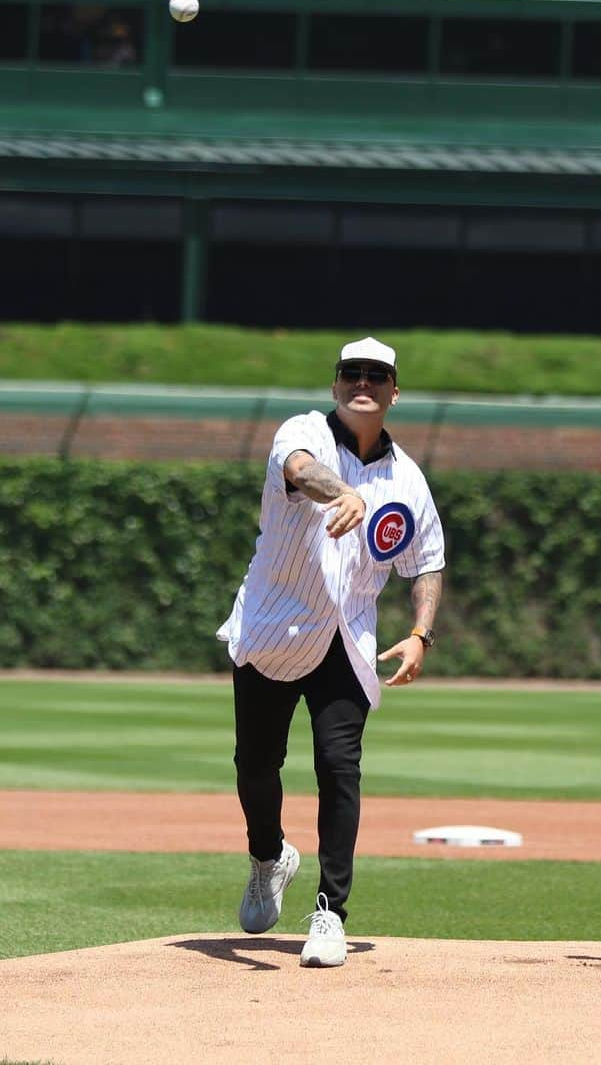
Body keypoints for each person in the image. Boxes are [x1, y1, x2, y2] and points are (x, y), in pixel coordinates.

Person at [217, 337, 445, 968]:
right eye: (352, 373)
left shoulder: (408, 479)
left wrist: (421, 633)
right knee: (255, 766)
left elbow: (428, 560)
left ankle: (330, 912)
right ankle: (269, 856)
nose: (363, 382)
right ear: (336, 383)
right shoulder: (305, 432)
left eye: (377, 375)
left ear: (395, 391)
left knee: (339, 766)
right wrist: (340, 492)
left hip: (346, 637)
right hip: (274, 625)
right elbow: (297, 469)